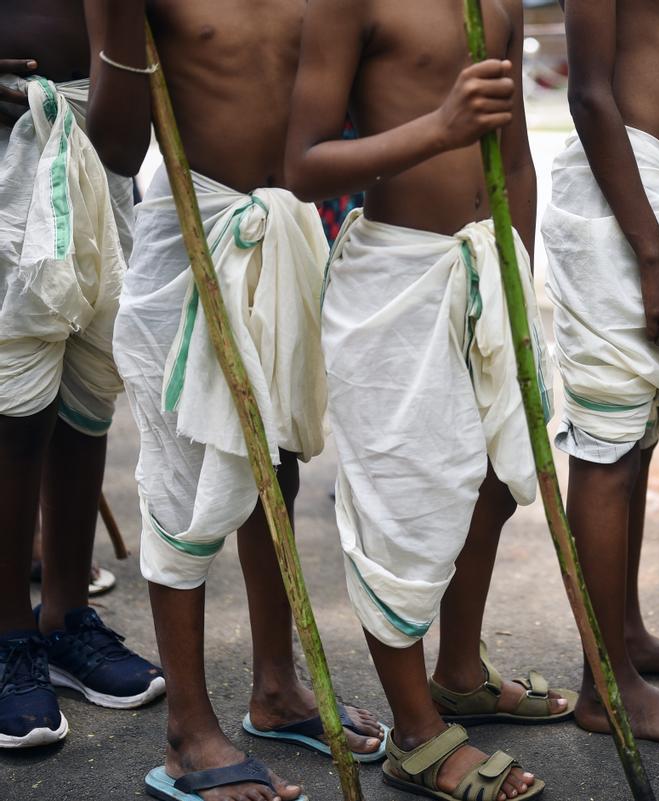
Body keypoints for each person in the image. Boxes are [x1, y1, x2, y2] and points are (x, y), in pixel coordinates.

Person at [86, 2, 386, 798]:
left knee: (276, 465)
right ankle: (187, 731)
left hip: (294, 231)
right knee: (182, 486)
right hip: (192, 236)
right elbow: (114, 147)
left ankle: (277, 687)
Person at [285, 1, 575, 798]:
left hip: (491, 266)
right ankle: (415, 733)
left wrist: (519, 262)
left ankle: (457, 672)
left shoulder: (500, 4)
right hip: (396, 279)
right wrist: (440, 127)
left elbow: (513, 154)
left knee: (492, 479)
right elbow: (304, 163)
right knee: (403, 507)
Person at [541, 0, 659, 748]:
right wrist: (653, 254)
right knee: (610, 447)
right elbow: (590, 93)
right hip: (625, 211)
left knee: (639, 433)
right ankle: (605, 682)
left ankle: (626, 635)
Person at [0, 1, 164, 750]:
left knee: (87, 389)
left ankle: (65, 615)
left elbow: (127, 145)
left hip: (97, 154)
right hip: (8, 152)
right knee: (12, 407)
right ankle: (7, 637)